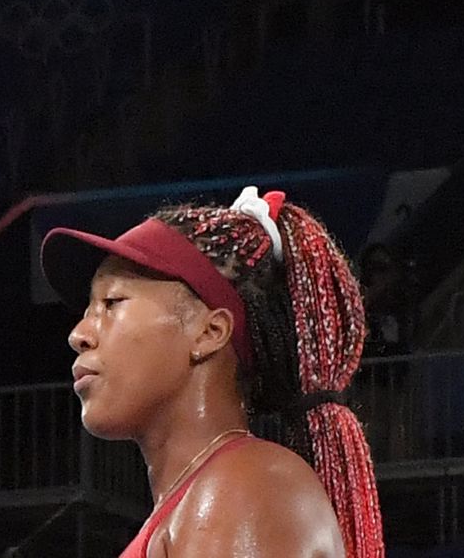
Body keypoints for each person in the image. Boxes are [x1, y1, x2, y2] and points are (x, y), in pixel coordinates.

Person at [42, 187, 383, 558]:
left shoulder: (245, 484)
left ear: (209, 332)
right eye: (89, 310)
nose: (79, 335)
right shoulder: (202, 497)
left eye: (112, 302)